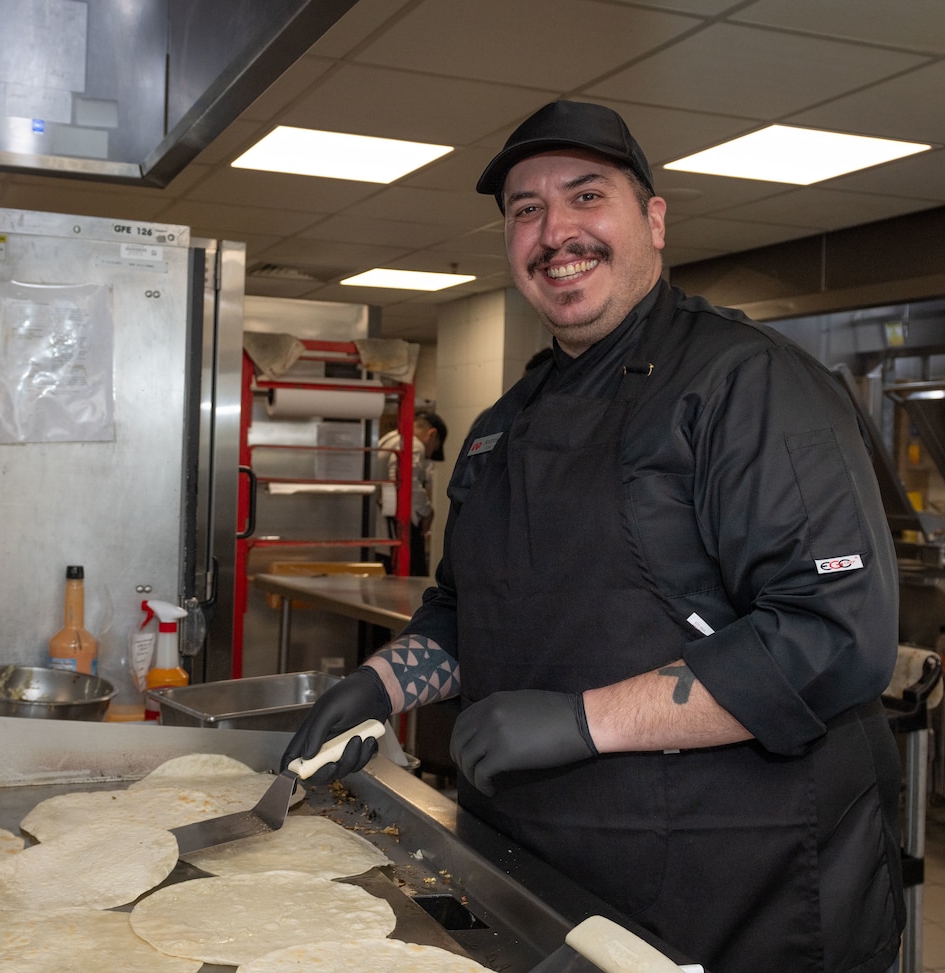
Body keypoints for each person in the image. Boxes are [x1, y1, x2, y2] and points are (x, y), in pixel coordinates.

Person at [282, 101, 905, 973]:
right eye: (525, 210)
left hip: (736, 889)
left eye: (586, 196)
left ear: (653, 219)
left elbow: (834, 634)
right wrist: (380, 685)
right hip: (548, 871)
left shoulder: (745, 384)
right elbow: (469, 611)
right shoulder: (506, 423)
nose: (555, 231)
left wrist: (580, 720)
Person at [377, 409, 447, 576]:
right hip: (397, 526)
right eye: (434, 449)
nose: (429, 455)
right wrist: (427, 510)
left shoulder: (389, 438)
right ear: (432, 434)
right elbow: (405, 479)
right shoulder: (412, 443)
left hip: (381, 526)